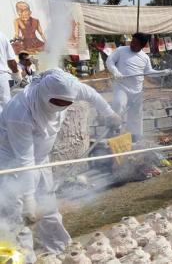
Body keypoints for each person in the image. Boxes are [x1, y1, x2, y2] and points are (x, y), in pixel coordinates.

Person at [0, 69, 120, 263]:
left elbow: (90, 94)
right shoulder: (20, 111)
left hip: (40, 159)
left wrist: (109, 113)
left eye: (67, 103)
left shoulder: (67, 88)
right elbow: (25, 160)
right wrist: (29, 198)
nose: (62, 107)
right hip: (13, 164)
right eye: (58, 103)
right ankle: (24, 258)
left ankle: (60, 251)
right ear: (46, 95)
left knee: (48, 208)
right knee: (19, 216)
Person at [106, 32, 170, 142]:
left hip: (137, 91)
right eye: (132, 42)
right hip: (122, 87)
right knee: (119, 104)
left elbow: (149, 72)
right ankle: (115, 131)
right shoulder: (121, 50)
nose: (132, 44)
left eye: (135, 43)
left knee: (136, 114)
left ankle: (135, 136)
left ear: (142, 45)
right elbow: (109, 61)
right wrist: (115, 72)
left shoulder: (144, 58)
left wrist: (161, 72)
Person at [0, 31, 21, 114]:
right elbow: (11, 61)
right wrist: (16, 74)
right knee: (4, 109)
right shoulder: (2, 36)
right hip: (1, 77)